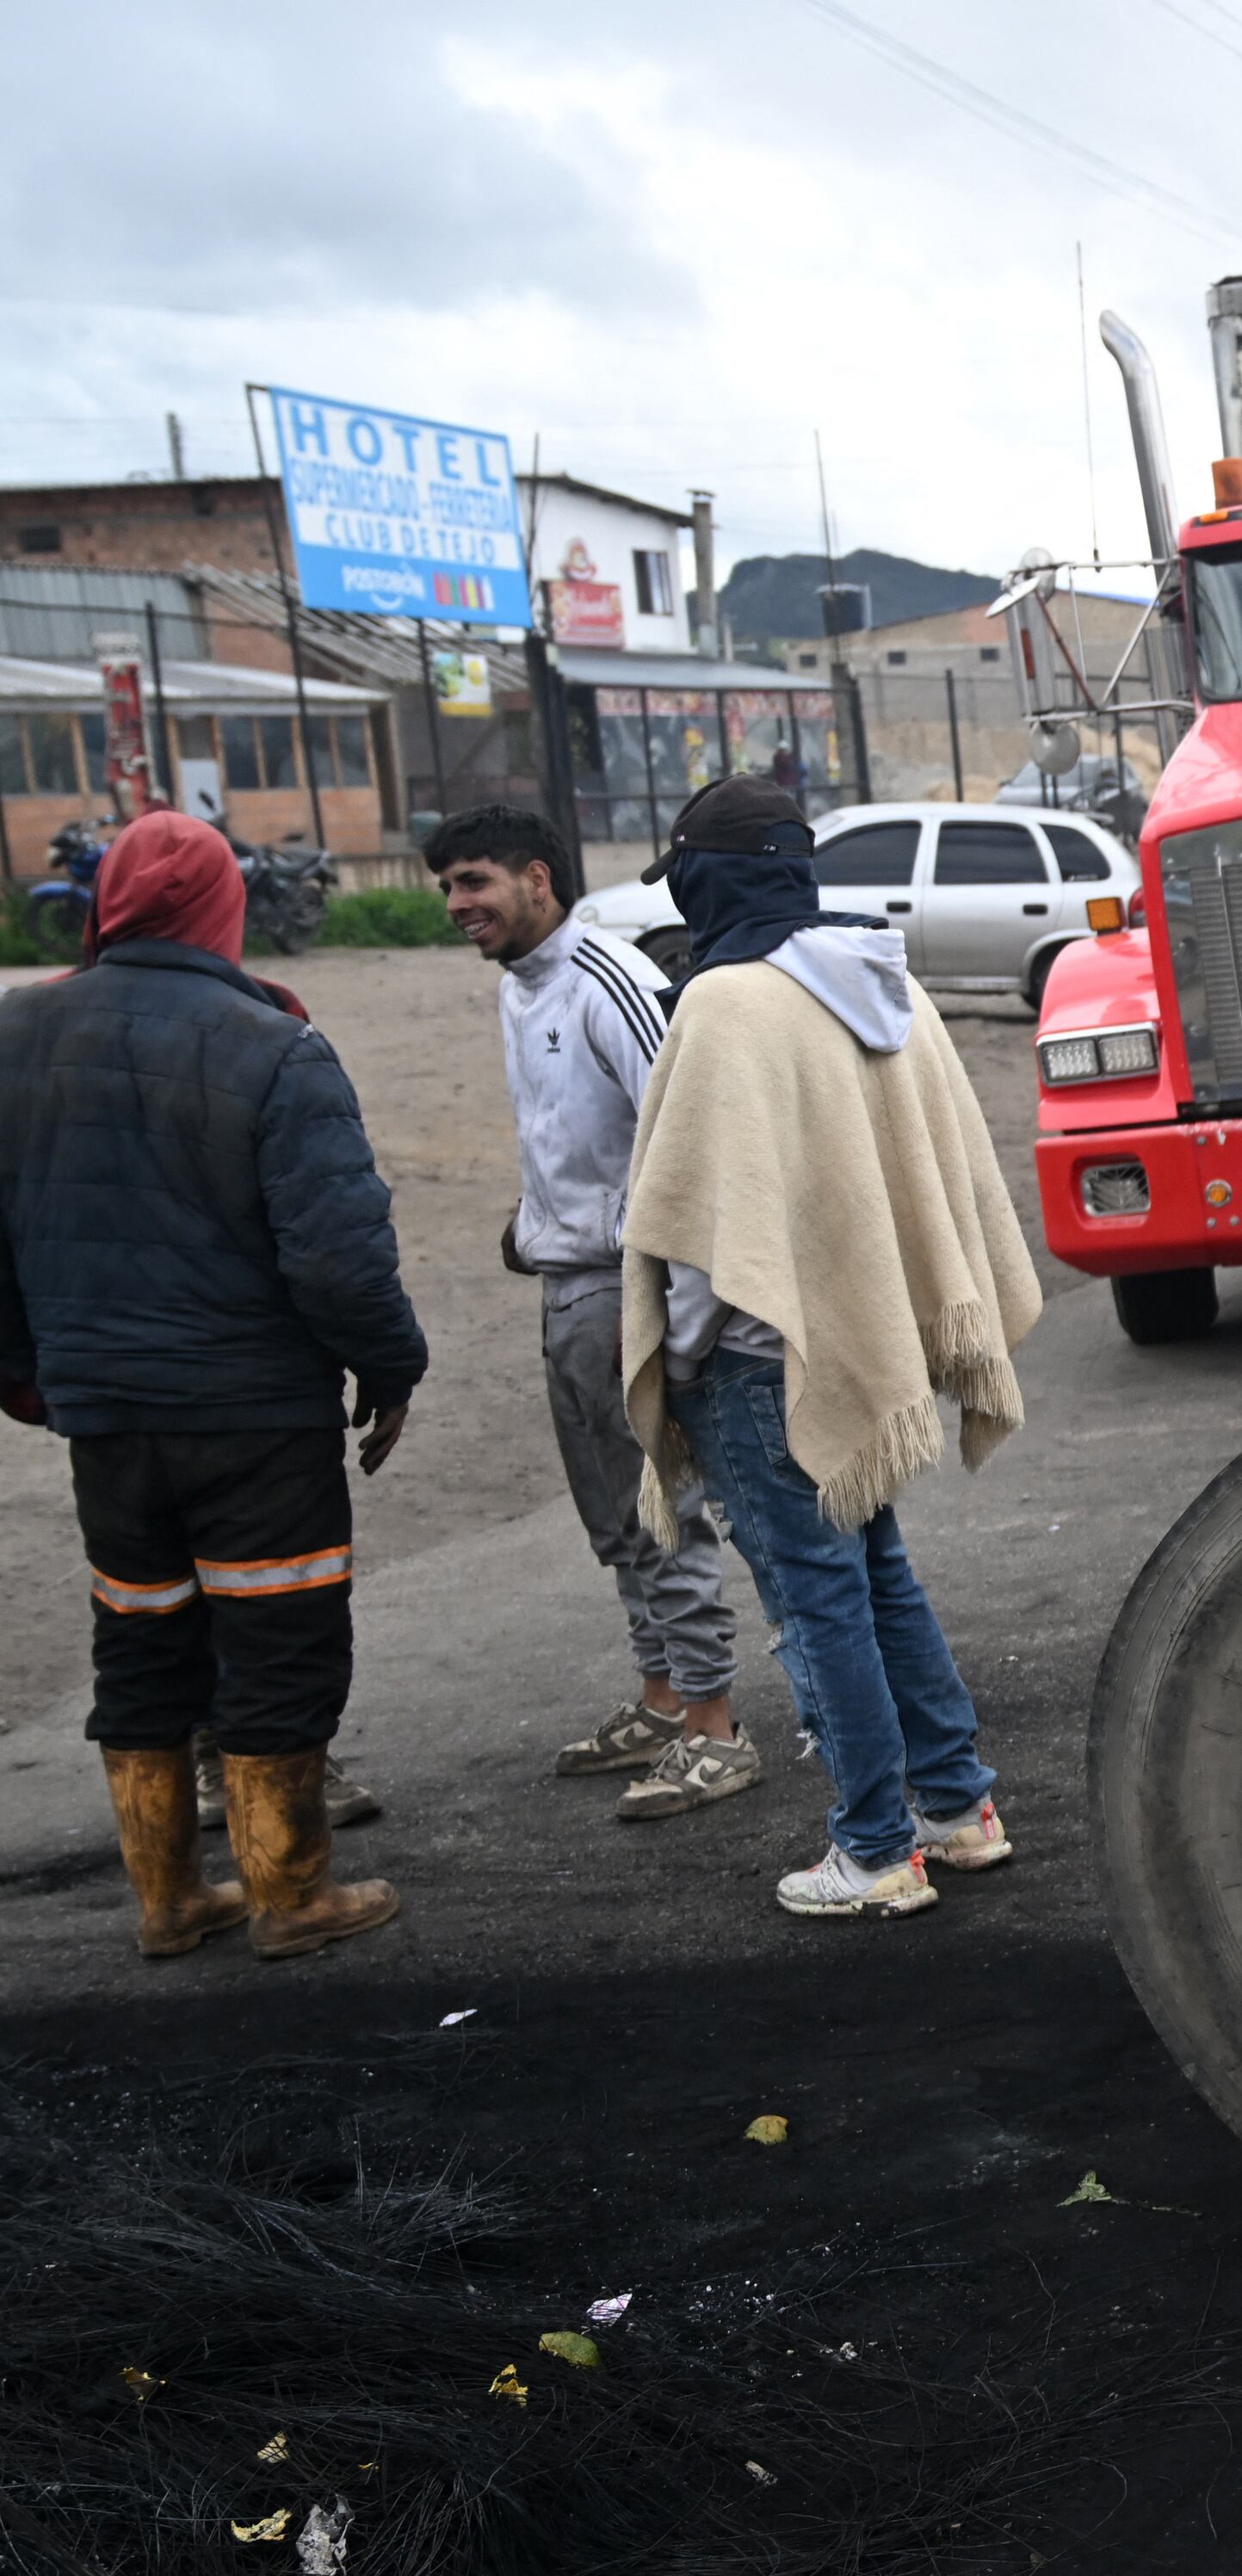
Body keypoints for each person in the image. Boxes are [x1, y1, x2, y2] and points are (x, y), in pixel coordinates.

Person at [615, 777, 1041, 1918]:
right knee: (876, 1578)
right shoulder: (879, 980)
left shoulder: (726, 1002)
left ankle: (872, 1849)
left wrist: (687, 1362)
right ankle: (956, 1809)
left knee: (819, 1603)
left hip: (763, 1362)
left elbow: (704, 1226)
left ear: (713, 876)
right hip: (868, 1344)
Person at [0, 812, 423, 1960]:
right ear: (221, 909)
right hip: (253, 1417)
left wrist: (27, 1374)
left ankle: (170, 1900)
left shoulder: (17, 1030)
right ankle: (289, 1896)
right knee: (279, 1640)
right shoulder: (275, 1045)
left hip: (106, 1419)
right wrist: (391, 1367)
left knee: (141, 1642)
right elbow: (339, 1254)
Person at [427, 802, 756, 1820]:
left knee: (663, 1512)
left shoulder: (610, 979)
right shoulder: (521, 992)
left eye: (473, 882)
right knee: (612, 1517)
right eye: (447, 887)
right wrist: (532, 1226)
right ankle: (661, 1700)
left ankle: (716, 1725)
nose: (456, 904)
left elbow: (688, 1139)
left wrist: (686, 1315)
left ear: (538, 877)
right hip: (565, 1287)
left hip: (628, 1290)